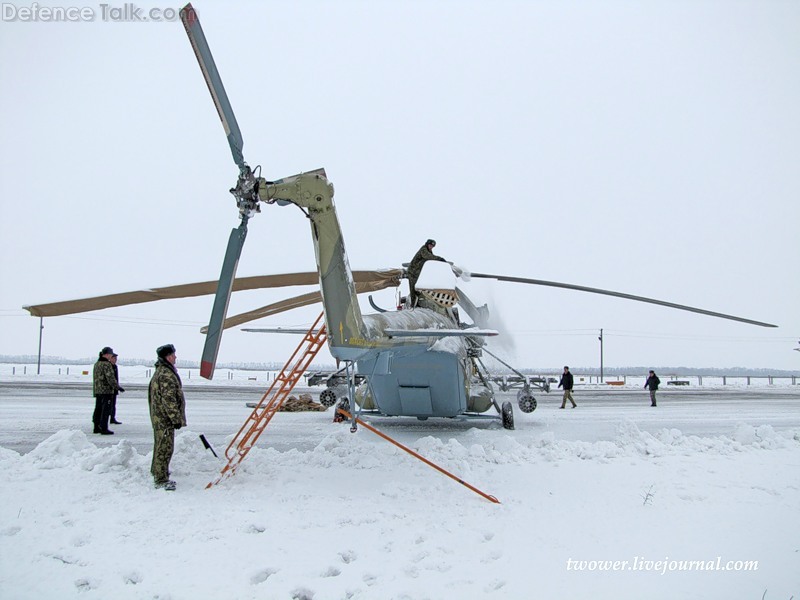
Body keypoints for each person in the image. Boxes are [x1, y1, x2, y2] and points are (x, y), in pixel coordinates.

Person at [148, 344, 187, 491]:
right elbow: (168, 399)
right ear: (168, 356)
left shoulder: (163, 371)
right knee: (164, 448)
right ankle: (161, 479)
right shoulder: (165, 374)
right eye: (173, 354)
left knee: (160, 445)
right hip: (164, 419)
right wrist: (175, 418)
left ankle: (158, 471)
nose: (175, 357)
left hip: (161, 417)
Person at [407, 238, 446, 305]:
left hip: (418, 272)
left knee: (418, 289)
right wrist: (439, 259)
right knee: (413, 289)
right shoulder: (424, 250)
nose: (431, 247)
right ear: (427, 244)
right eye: (430, 245)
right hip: (413, 272)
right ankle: (413, 304)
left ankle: (418, 301)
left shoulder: (429, 251)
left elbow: (431, 261)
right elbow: (429, 257)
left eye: (432, 246)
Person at [92, 346, 121, 434]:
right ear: (107, 354)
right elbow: (110, 378)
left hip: (98, 390)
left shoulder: (97, 364)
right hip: (106, 391)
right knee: (105, 410)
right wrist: (117, 387)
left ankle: (96, 427)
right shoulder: (107, 364)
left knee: (98, 409)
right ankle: (104, 428)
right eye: (111, 354)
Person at [109, 353, 125, 425]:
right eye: (114, 358)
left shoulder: (115, 366)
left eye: (116, 359)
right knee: (108, 405)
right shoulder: (109, 366)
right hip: (109, 389)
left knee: (113, 405)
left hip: (114, 389)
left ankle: (112, 418)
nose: (115, 360)